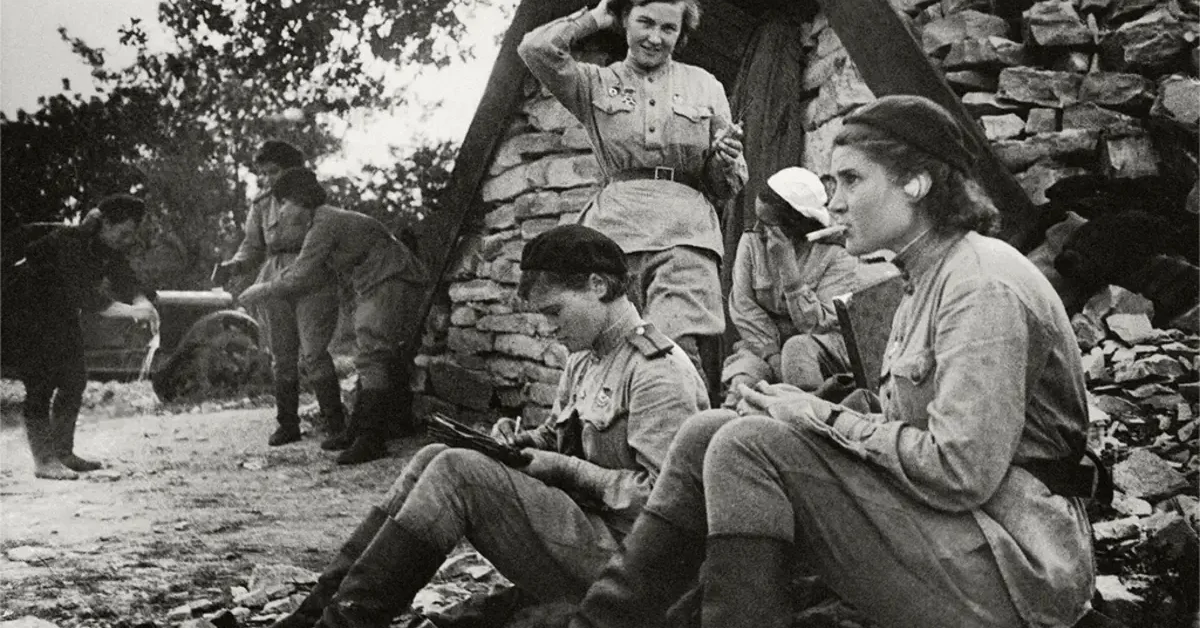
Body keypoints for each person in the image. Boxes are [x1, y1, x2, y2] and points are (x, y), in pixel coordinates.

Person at [573, 95, 1099, 628]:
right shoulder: (920, 282)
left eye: (851, 181)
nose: (836, 203)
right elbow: (904, 428)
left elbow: (959, 471)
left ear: (915, 184)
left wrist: (817, 416)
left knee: (747, 445)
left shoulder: (981, 282)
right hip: (956, 529)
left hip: (1015, 562)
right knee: (709, 430)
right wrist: (802, 406)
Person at [265, 224, 708, 628]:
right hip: (590, 534)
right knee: (434, 456)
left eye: (555, 312)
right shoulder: (586, 357)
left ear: (598, 285)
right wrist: (516, 443)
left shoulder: (656, 370)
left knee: (458, 473)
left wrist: (564, 470)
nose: (551, 329)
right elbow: (560, 436)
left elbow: (665, 507)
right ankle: (315, 615)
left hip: (634, 567)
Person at [518, 0, 748, 378]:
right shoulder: (595, 83)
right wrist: (595, 17)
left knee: (673, 354)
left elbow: (727, 184)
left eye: (669, 29)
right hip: (613, 237)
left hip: (685, 235)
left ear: (681, 34)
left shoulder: (706, 85)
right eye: (645, 22)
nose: (655, 37)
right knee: (607, 351)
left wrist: (724, 160)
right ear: (625, 20)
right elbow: (534, 49)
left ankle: (679, 433)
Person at [239, 168, 428, 465]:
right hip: (379, 278)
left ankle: (371, 439)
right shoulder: (322, 221)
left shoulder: (324, 224)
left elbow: (301, 273)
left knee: (373, 352)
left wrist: (262, 289)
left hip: (392, 276)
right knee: (375, 351)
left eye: (286, 203)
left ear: (302, 201)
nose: (283, 211)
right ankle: (360, 430)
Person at [1, 196, 158, 480]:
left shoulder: (106, 246)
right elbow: (89, 299)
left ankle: (64, 452)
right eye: (123, 232)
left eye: (131, 234)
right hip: (22, 310)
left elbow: (126, 279)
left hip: (59, 311)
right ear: (105, 224)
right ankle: (44, 461)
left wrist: (141, 300)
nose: (127, 239)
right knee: (41, 382)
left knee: (74, 378)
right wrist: (134, 311)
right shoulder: (70, 241)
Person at [214, 141, 343, 448]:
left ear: (293, 170)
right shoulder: (261, 204)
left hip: (311, 273)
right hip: (273, 274)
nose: (269, 179)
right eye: (264, 173)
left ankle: (336, 425)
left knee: (314, 352)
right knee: (281, 355)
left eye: (274, 171)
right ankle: (287, 424)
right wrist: (234, 265)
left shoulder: (311, 196)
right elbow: (252, 245)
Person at [721, 166, 859, 406]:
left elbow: (816, 325)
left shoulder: (836, 256)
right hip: (762, 346)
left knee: (798, 358)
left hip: (815, 346)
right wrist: (772, 355)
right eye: (757, 220)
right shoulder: (752, 241)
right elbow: (743, 307)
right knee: (742, 384)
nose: (758, 229)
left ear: (794, 224)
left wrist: (789, 270)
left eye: (768, 224)